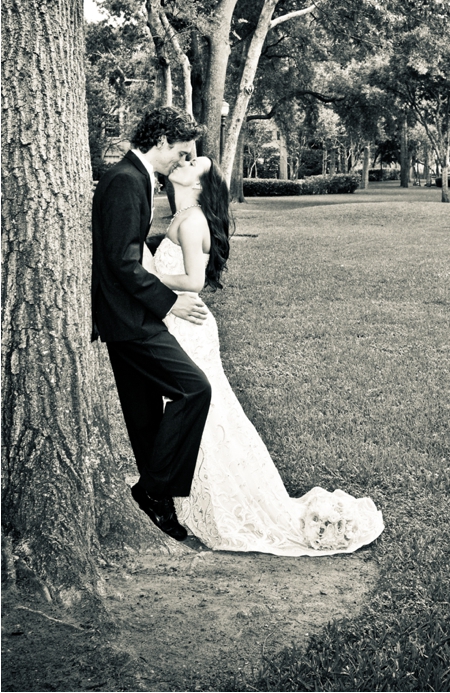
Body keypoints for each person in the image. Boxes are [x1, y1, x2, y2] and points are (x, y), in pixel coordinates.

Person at [144, 153, 384, 555]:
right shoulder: (180, 216)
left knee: (204, 412)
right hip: (179, 323)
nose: (183, 163)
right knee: (203, 411)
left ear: (199, 186)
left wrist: (145, 278)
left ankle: (193, 496)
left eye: (192, 166)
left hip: (187, 325)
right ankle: (181, 492)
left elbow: (193, 281)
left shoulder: (192, 220)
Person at [92, 107, 211, 541]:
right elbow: (122, 260)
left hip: (125, 315)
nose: (182, 162)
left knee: (144, 416)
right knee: (194, 389)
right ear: (160, 140)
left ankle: (156, 503)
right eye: (180, 153)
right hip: (132, 319)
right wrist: (170, 303)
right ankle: (154, 489)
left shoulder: (135, 176)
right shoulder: (126, 180)